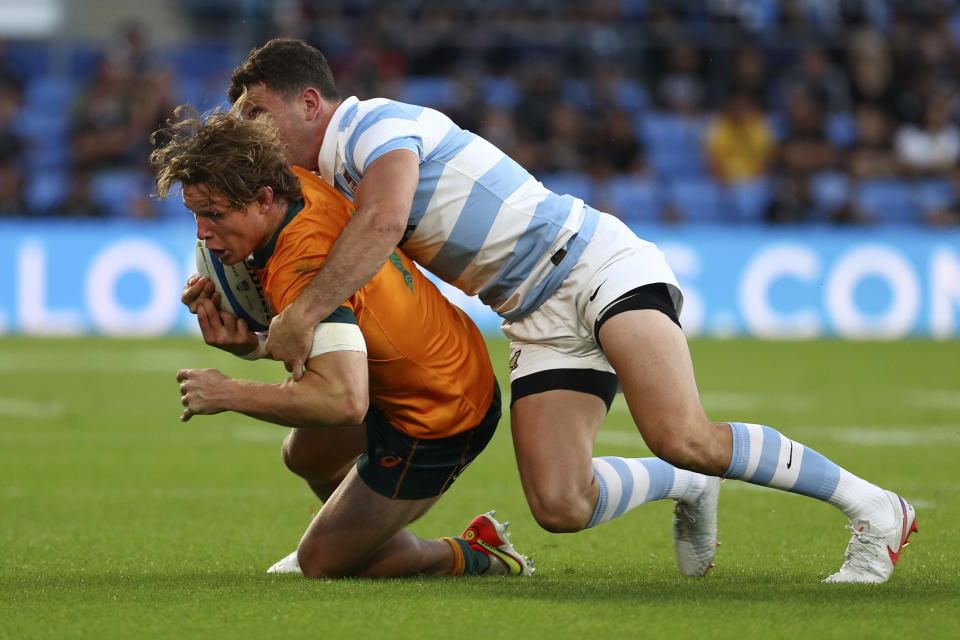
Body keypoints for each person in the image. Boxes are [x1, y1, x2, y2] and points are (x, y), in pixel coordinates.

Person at [229, 38, 917, 583]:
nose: (252, 134)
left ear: (311, 100)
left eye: (258, 115)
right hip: (533, 313)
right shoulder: (324, 180)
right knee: (560, 505)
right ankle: (686, 486)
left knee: (683, 431)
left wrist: (304, 313)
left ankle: (878, 510)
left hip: (592, 265)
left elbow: (383, 224)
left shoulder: (374, 125)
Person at [151, 107, 532, 580]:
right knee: (305, 455)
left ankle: (475, 553)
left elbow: (343, 400)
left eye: (213, 215)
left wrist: (228, 392)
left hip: (441, 409)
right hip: (417, 359)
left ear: (263, 199)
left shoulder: (302, 263)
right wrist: (251, 344)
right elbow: (329, 342)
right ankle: (357, 535)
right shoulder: (291, 184)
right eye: (195, 215)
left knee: (322, 565)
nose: (202, 235)